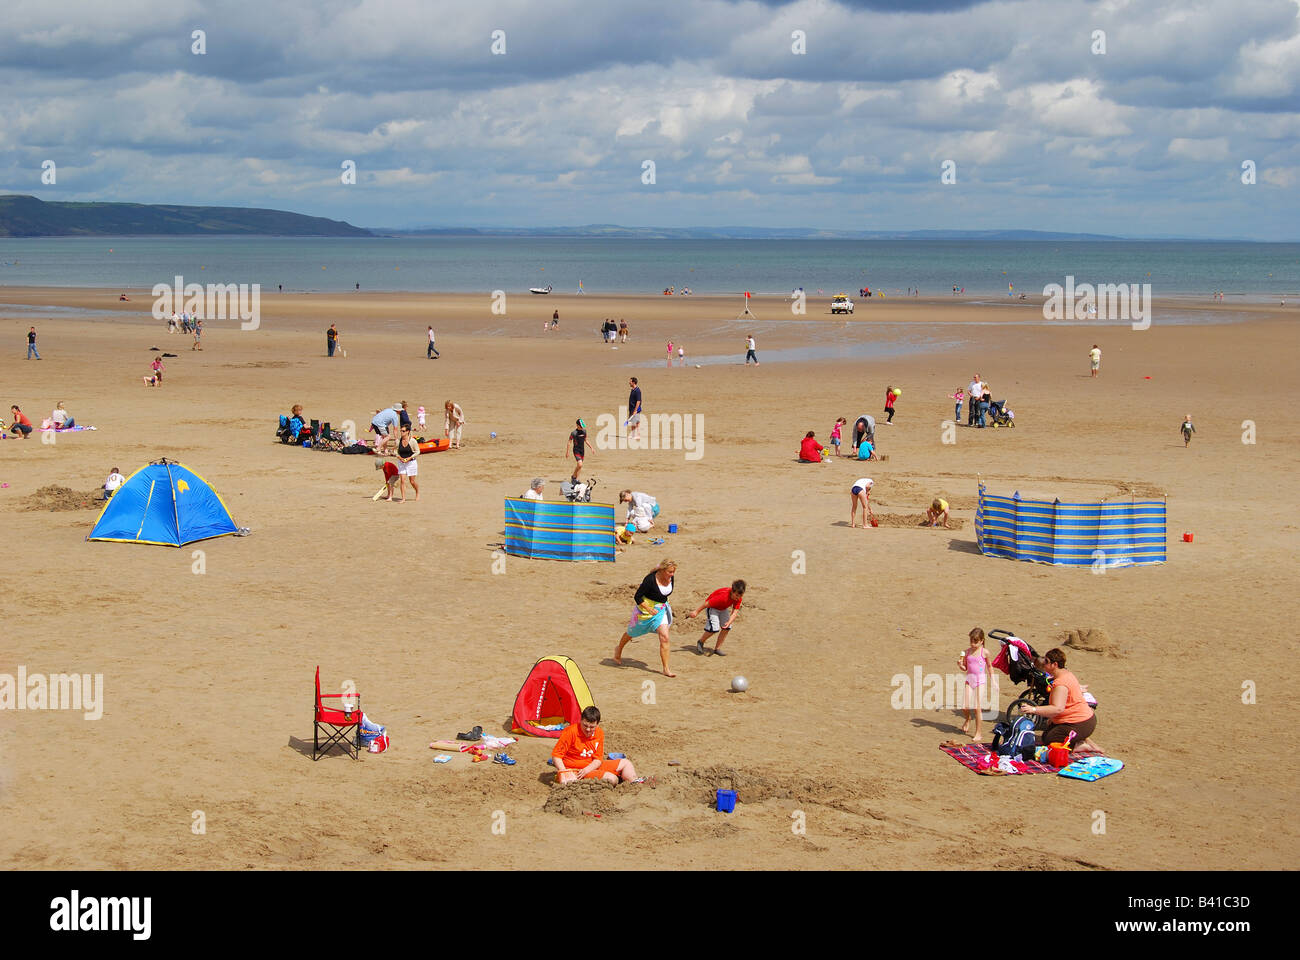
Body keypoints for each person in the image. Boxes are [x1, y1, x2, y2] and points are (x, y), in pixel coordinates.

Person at [1022, 648, 1100, 753]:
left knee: (1050, 741)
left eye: (1046, 662)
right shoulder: (1067, 674)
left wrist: (1033, 709)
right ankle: (1082, 738)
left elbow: (1057, 708)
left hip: (1079, 723)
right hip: (1084, 720)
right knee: (1046, 735)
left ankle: (1080, 745)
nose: (1044, 664)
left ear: (1054, 664)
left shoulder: (1060, 684)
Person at [613, 559, 678, 677]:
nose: (672, 575)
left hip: (661, 610)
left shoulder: (671, 578)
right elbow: (637, 597)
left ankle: (666, 669)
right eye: (670, 572)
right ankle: (619, 649)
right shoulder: (650, 580)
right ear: (663, 570)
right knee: (631, 633)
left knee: (665, 637)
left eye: (673, 572)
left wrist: (660, 607)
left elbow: (664, 595)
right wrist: (648, 609)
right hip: (644, 611)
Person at [552, 706, 639, 785]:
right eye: (585, 725)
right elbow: (556, 756)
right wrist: (564, 772)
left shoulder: (599, 733)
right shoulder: (570, 732)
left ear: (597, 724)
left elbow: (598, 759)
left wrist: (587, 770)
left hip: (591, 766)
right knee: (612, 779)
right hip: (576, 770)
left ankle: (634, 783)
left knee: (626, 763)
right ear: (581, 720)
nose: (588, 729)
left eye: (592, 727)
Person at [686, 579, 746, 656]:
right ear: (732, 592)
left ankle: (717, 649)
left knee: (727, 627)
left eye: (741, 595)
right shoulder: (723, 597)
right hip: (712, 608)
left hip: (723, 608)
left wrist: (729, 622)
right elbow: (707, 604)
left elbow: (735, 612)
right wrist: (696, 612)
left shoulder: (738, 598)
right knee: (713, 629)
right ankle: (701, 641)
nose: (738, 598)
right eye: (737, 595)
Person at [958, 628, 990, 740]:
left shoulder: (985, 652)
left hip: (980, 681)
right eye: (971, 641)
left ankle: (978, 733)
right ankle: (967, 719)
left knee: (977, 707)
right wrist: (960, 665)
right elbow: (965, 667)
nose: (972, 644)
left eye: (975, 642)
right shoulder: (967, 652)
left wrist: (994, 681)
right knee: (964, 707)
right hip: (969, 680)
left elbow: (990, 667)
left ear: (982, 641)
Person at [394, 424, 420, 501]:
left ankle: (417, 492)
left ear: (408, 432)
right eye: (401, 431)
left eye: (403, 431)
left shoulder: (412, 441)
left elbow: (418, 451)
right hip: (401, 462)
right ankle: (403, 498)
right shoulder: (398, 441)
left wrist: (410, 458)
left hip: (411, 463)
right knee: (402, 480)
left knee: (412, 481)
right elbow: (395, 451)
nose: (401, 432)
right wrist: (399, 457)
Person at [626, 377, 642, 442]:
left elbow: (638, 401)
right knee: (633, 422)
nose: (629, 382)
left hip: (635, 409)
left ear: (633, 382)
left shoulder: (637, 391)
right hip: (632, 409)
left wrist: (635, 410)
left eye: (630, 381)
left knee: (636, 422)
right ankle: (633, 435)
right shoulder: (633, 389)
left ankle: (637, 435)